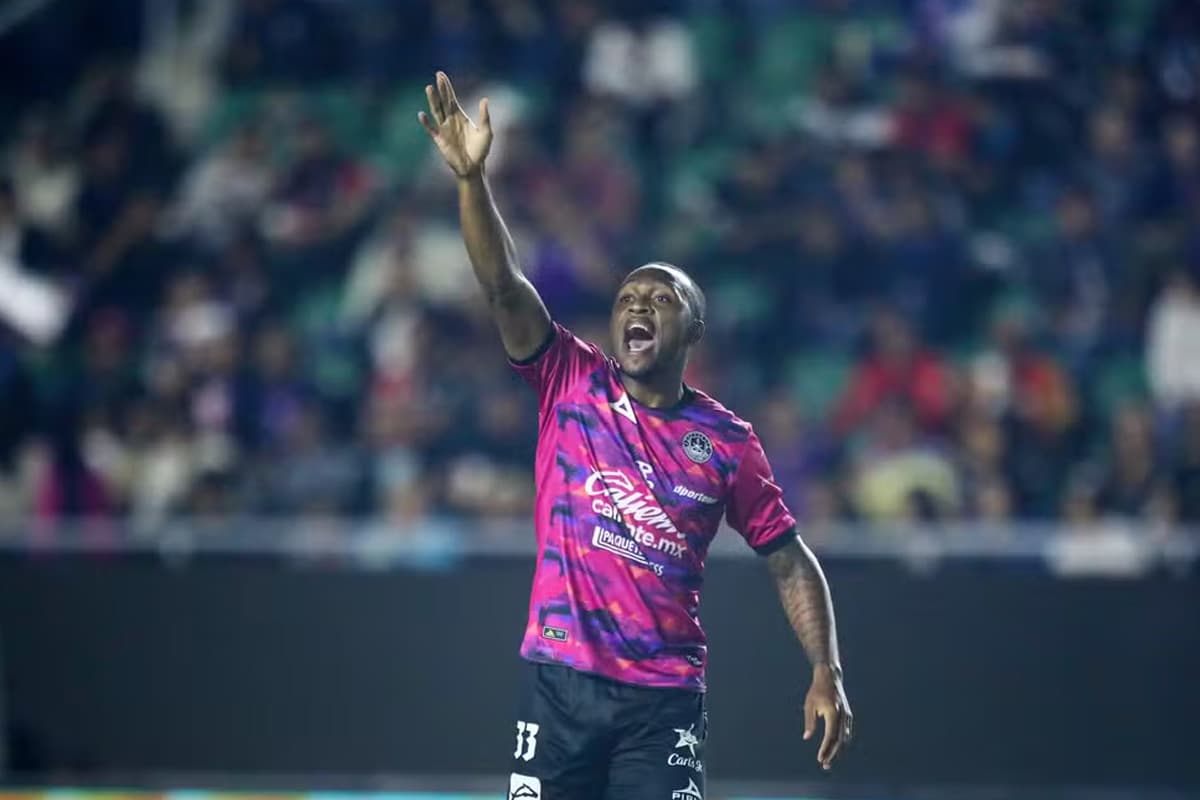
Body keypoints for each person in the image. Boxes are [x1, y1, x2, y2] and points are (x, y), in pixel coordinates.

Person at [419, 72, 852, 800]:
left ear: (694, 329)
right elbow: (503, 287)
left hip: (663, 700)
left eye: (661, 297)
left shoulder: (726, 442)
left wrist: (825, 669)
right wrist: (471, 180)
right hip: (557, 684)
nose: (638, 305)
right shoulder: (568, 380)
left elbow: (786, 557)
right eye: (626, 298)